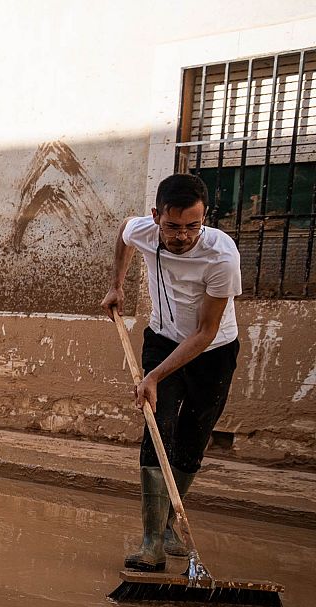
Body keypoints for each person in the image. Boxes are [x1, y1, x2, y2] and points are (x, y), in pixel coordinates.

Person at [100, 173, 241, 572]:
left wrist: (153, 377)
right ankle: (151, 545)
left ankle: (168, 528)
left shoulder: (222, 257)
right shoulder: (142, 230)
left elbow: (205, 331)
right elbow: (124, 235)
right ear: (156, 217)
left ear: (205, 219)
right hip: (162, 338)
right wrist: (117, 285)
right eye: (173, 226)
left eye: (192, 226)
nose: (182, 236)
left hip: (212, 351)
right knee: (156, 428)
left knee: (193, 438)